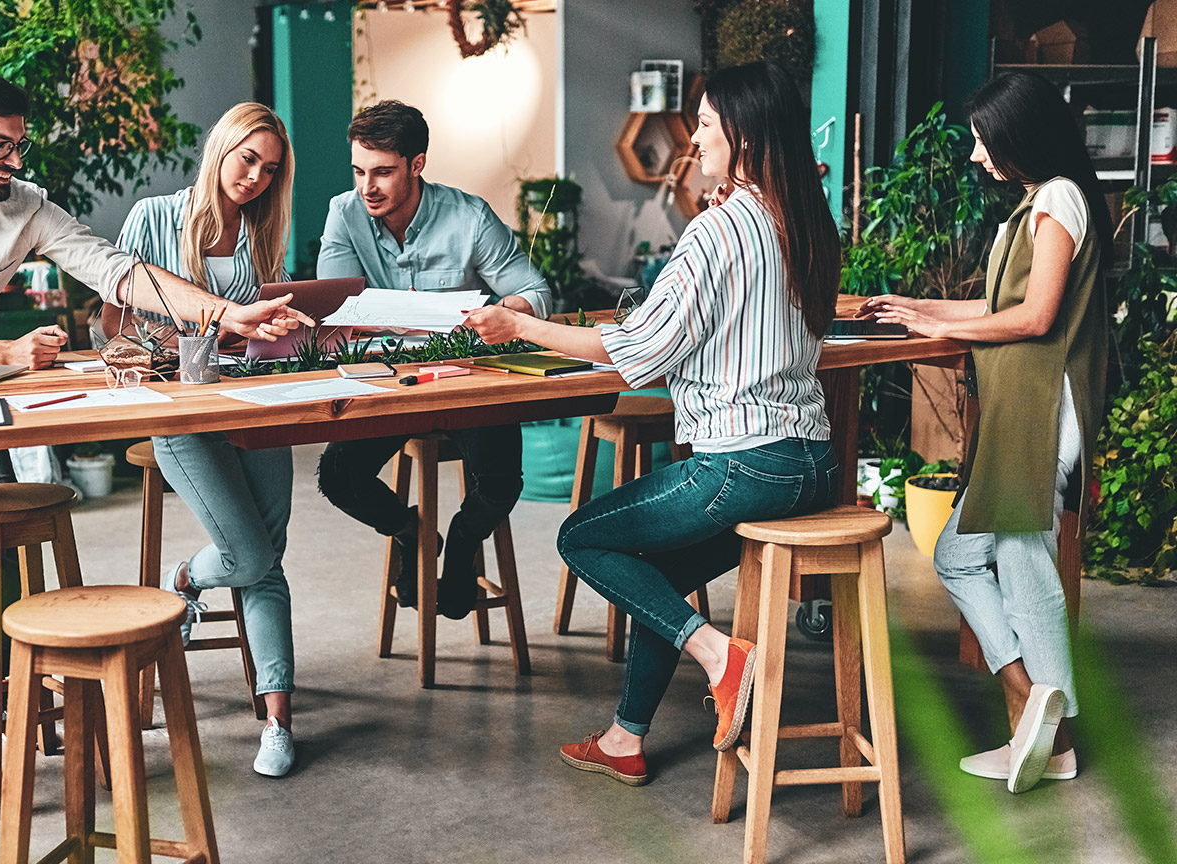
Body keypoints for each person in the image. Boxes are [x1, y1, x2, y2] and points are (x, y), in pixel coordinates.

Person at [0, 69, 311, 743]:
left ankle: (1, 679)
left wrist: (228, 314)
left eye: (19, 144)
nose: (14, 159)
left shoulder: (25, 205)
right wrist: (3, 355)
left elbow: (117, 270)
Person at [463, 61, 841, 785]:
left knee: (583, 537)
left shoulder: (718, 232)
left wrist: (516, 325)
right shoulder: (809, 220)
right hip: (814, 467)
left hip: (743, 466)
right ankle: (624, 738)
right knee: (656, 576)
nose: (695, 139)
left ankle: (720, 656)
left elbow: (634, 353)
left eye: (704, 123)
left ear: (745, 134)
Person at [859, 71, 1109, 793]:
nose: (975, 156)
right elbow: (1004, 304)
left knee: (1024, 564)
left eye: (982, 141)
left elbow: (1037, 318)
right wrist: (919, 305)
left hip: (1040, 415)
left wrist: (938, 323)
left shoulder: (1059, 198)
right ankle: (1032, 714)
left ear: (1018, 137)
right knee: (960, 556)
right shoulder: (1038, 203)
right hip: (1018, 413)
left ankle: (1048, 729)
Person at [117, 102, 301, 777]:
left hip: (257, 406)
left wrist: (288, 330)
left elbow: (264, 332)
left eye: (270, 169)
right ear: (221, 146)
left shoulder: (258, 233)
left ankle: (278, 722)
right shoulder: (154, 218)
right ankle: (187, 578)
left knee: (266, 560)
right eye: (247, 158)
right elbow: (118, 330)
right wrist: (219, 331)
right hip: (182, 413)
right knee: (251, 554)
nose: (255, 176)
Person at [314, 100, 552, 620]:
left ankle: (462, 545)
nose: (367, 186)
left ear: (416, 164)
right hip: (388, 384)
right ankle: (412, 531)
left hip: (465, 380)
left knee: (501, 483)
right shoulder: (344, 213)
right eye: (359, 171)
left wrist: (503, 313)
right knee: (336, 476)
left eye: (382, 172)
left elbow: (536, 291)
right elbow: (336, 309)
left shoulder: (468, 216)